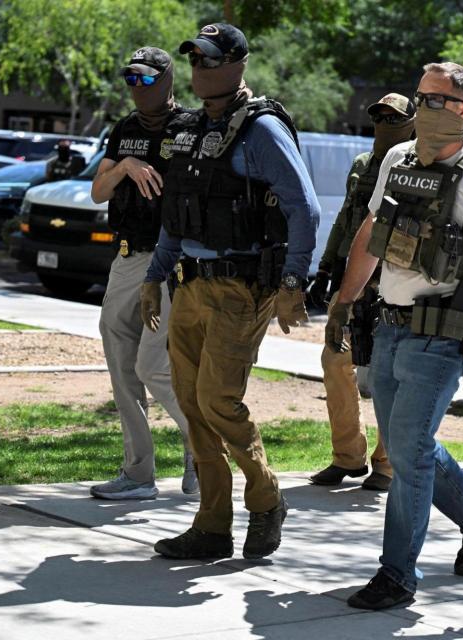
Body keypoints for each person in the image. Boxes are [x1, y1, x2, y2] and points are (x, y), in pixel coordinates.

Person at [326, 62, 463, 610]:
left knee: (408, 453)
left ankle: (397, 574)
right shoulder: (398, 161)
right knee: (411, 446)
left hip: (444, 333)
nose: (423, 109)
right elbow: (370, 236)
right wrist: (344, 301)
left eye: (436, 100)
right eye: (420, 98)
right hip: (390, 327)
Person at [141, 24, 320, 561]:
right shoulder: (193, 128)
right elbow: (177, 213)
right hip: (190, 286)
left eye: (211, 60)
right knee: (194, 407)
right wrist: (155, 276)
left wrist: (293, 281)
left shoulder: (261, 130)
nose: (200, 69)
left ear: (239, 64)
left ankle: (266, 500)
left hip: (242, 288)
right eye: (194, 59)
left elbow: (304, 208)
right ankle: (212, 526)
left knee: (219, 400)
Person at [89, 47, 195, 500]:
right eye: (131, 79)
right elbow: (97, 191)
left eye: (147, 79)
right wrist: (124, 167)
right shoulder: (125, 129)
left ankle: (204, 452)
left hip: (171, 263)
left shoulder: (190, 128)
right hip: (127, 256)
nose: (137, 87)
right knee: (121, 366)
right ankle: (138, 473)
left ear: (168, 80)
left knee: (153, 367)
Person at [308, 93, 416, 492]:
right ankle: (347, 456)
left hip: (393, 285)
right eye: (379, 116)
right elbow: (347, 220)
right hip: (353, 281)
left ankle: (387, 464)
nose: (384, 122)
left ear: (412, 122)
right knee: (335, 361)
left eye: (394, 117)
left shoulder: (417, 168)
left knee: (391, 372)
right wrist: (324, 269)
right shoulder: (361, 166)